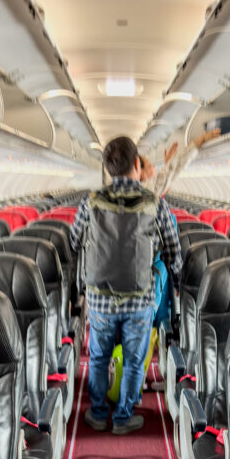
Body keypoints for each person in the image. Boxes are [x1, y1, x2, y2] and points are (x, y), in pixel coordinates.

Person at [70, 136, 182, 435]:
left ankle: (96, 413)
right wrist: (176, 280)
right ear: (136, 164)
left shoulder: (90, 202)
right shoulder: (154, 203)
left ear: (107, 168)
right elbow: (172, 249)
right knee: (134, 360)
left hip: (99, 296)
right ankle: (122, 416)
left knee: (98, 356)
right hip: (139, 297)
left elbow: (74, 241)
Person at [139, 128, 221, 199]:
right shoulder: (145, 192)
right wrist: (202, 139)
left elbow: (163, 184)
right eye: (149, 165)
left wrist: (168, 165)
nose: (153, 167)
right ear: (140, 171)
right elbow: (174, 169)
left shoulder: (143, 193)